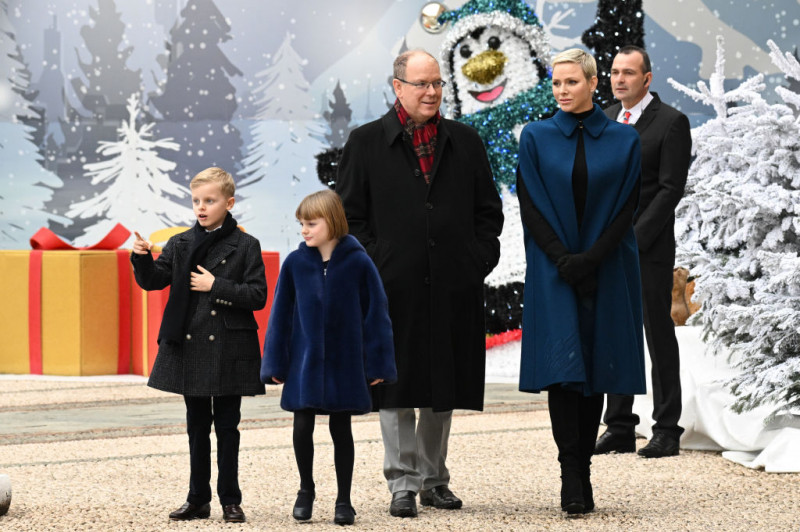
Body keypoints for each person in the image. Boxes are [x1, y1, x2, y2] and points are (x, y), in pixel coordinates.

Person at [335, 49, 503, 518]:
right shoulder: (365, 142)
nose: (432, 92)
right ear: (397, 87)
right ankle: (402, 483)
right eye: (421, 84)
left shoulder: (466, 141)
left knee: (441, 384)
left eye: (437, 84)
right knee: (394, 384)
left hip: (453, 284)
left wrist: (476, 260)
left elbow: (488, 213)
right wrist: (377, 265)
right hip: (391, 289)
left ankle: (434, 479)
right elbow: (348, 217)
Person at [516, 48, 645, 514]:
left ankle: (583, 468)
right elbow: (530, 206)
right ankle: (571, 470)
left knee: (596, 371)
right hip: (555, 271)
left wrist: (591, 260)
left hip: (606, 268)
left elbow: (626, 209)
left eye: (571, 82)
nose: (563, 91)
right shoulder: (535, 136)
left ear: (594, 83)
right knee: (563, 372)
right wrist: (562, 260)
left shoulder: (624, 140)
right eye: (556, 83)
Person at [131, 167, 267, 524]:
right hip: (190, 345)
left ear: (229, 202)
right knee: (196, 427)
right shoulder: (180, 243)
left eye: (210, 200)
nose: (201, 207)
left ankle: (230, 500)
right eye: (196, 201)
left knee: (227, 427)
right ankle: (197, 499)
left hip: (228, 346)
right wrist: (141, 257)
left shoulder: (246, 245)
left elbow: (257, 296)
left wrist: (215, 286)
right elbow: (153, 281)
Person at [260, 189, 397, 526]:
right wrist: (276, 363)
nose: (304, 230)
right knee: (302, 423)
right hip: (304, 363)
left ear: (332, 222)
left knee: (341, 427)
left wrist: (377, 363)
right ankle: (305, 490)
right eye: (301, 224)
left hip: (345, 362)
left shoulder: (359, 263)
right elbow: (280, 314)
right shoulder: (295, 263)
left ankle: (344, 500)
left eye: (311, 223)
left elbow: (376, 314)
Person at [595, 45, 692, 459]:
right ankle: (618, 425)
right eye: (615, 72)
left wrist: (633, 238)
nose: (619, 80)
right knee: (616, 334)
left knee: (657, 334)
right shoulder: (605, 118)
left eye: (629, 73)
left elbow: (670, 190)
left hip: (647, 249)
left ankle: (667, 428)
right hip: (607, 248)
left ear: (647, 78)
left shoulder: (671, 122)